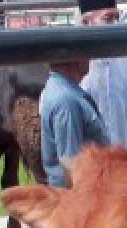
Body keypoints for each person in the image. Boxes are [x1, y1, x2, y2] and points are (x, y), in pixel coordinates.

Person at [79, 0, 127, 151]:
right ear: (87, 23)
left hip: (120, 155)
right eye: (108, 18)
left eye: (116, 18)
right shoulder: (76, 63)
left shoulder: (123, 61)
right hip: (89, 159)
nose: (114, 24)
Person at [40, 58, 109, 188]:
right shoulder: (67, 101)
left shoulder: (65, 92)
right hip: (81, 197)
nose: (90, 58)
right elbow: (72, 166)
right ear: (75, 58)